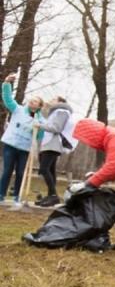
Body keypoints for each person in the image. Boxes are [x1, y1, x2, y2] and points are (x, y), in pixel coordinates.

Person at [0, 74, 43, 205]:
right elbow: (7, 99)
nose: (32, 101)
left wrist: (39, 128)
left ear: (39, 106)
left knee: (20, 172)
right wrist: (7, 83)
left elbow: (39, 137)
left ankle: (16, 196)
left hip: (24, 149)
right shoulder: (18, 109)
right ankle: (1, 194)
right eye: (32, 99)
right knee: (7, 170)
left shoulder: (39, 120)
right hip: (11, 144)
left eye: (35, 101)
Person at [63, 118, 115, 196]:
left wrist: (87, 184)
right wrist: (96, 176)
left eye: (86, 140)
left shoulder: (114, 137)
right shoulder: (112, 136)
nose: (89, 145)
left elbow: (112, 167)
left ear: (92, 136)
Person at [33, 96, 73, 206]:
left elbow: (56, 128)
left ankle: (54, 196)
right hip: (49, 143)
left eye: (53, 99)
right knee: (50, 170)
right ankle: (51, 195)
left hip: (53, 144)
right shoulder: (56, 112)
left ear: (60, 102)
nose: (50, 100)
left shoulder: (61, 111)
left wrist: (40, 125)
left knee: (44, 169)